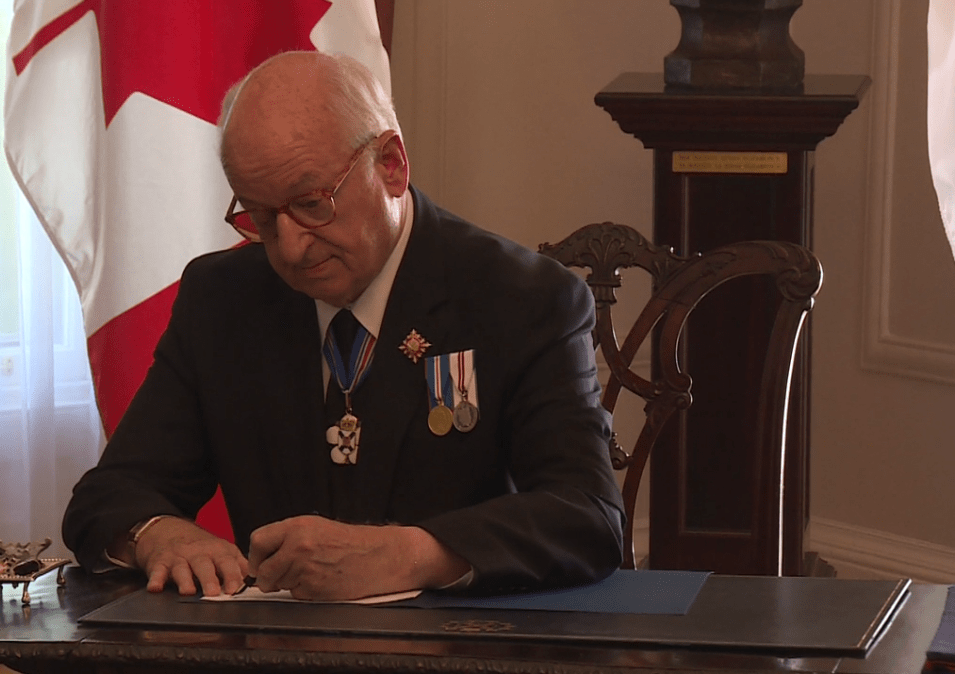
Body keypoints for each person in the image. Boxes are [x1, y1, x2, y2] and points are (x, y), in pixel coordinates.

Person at [62, 51, 624, 601]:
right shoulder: (223, 300)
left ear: (392, 165)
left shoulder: (521, 299)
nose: (289, 246)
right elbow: (108, 496)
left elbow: (586, 516)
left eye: (311, 203)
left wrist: (410, 555)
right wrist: (158, 533)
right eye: (260, 216)